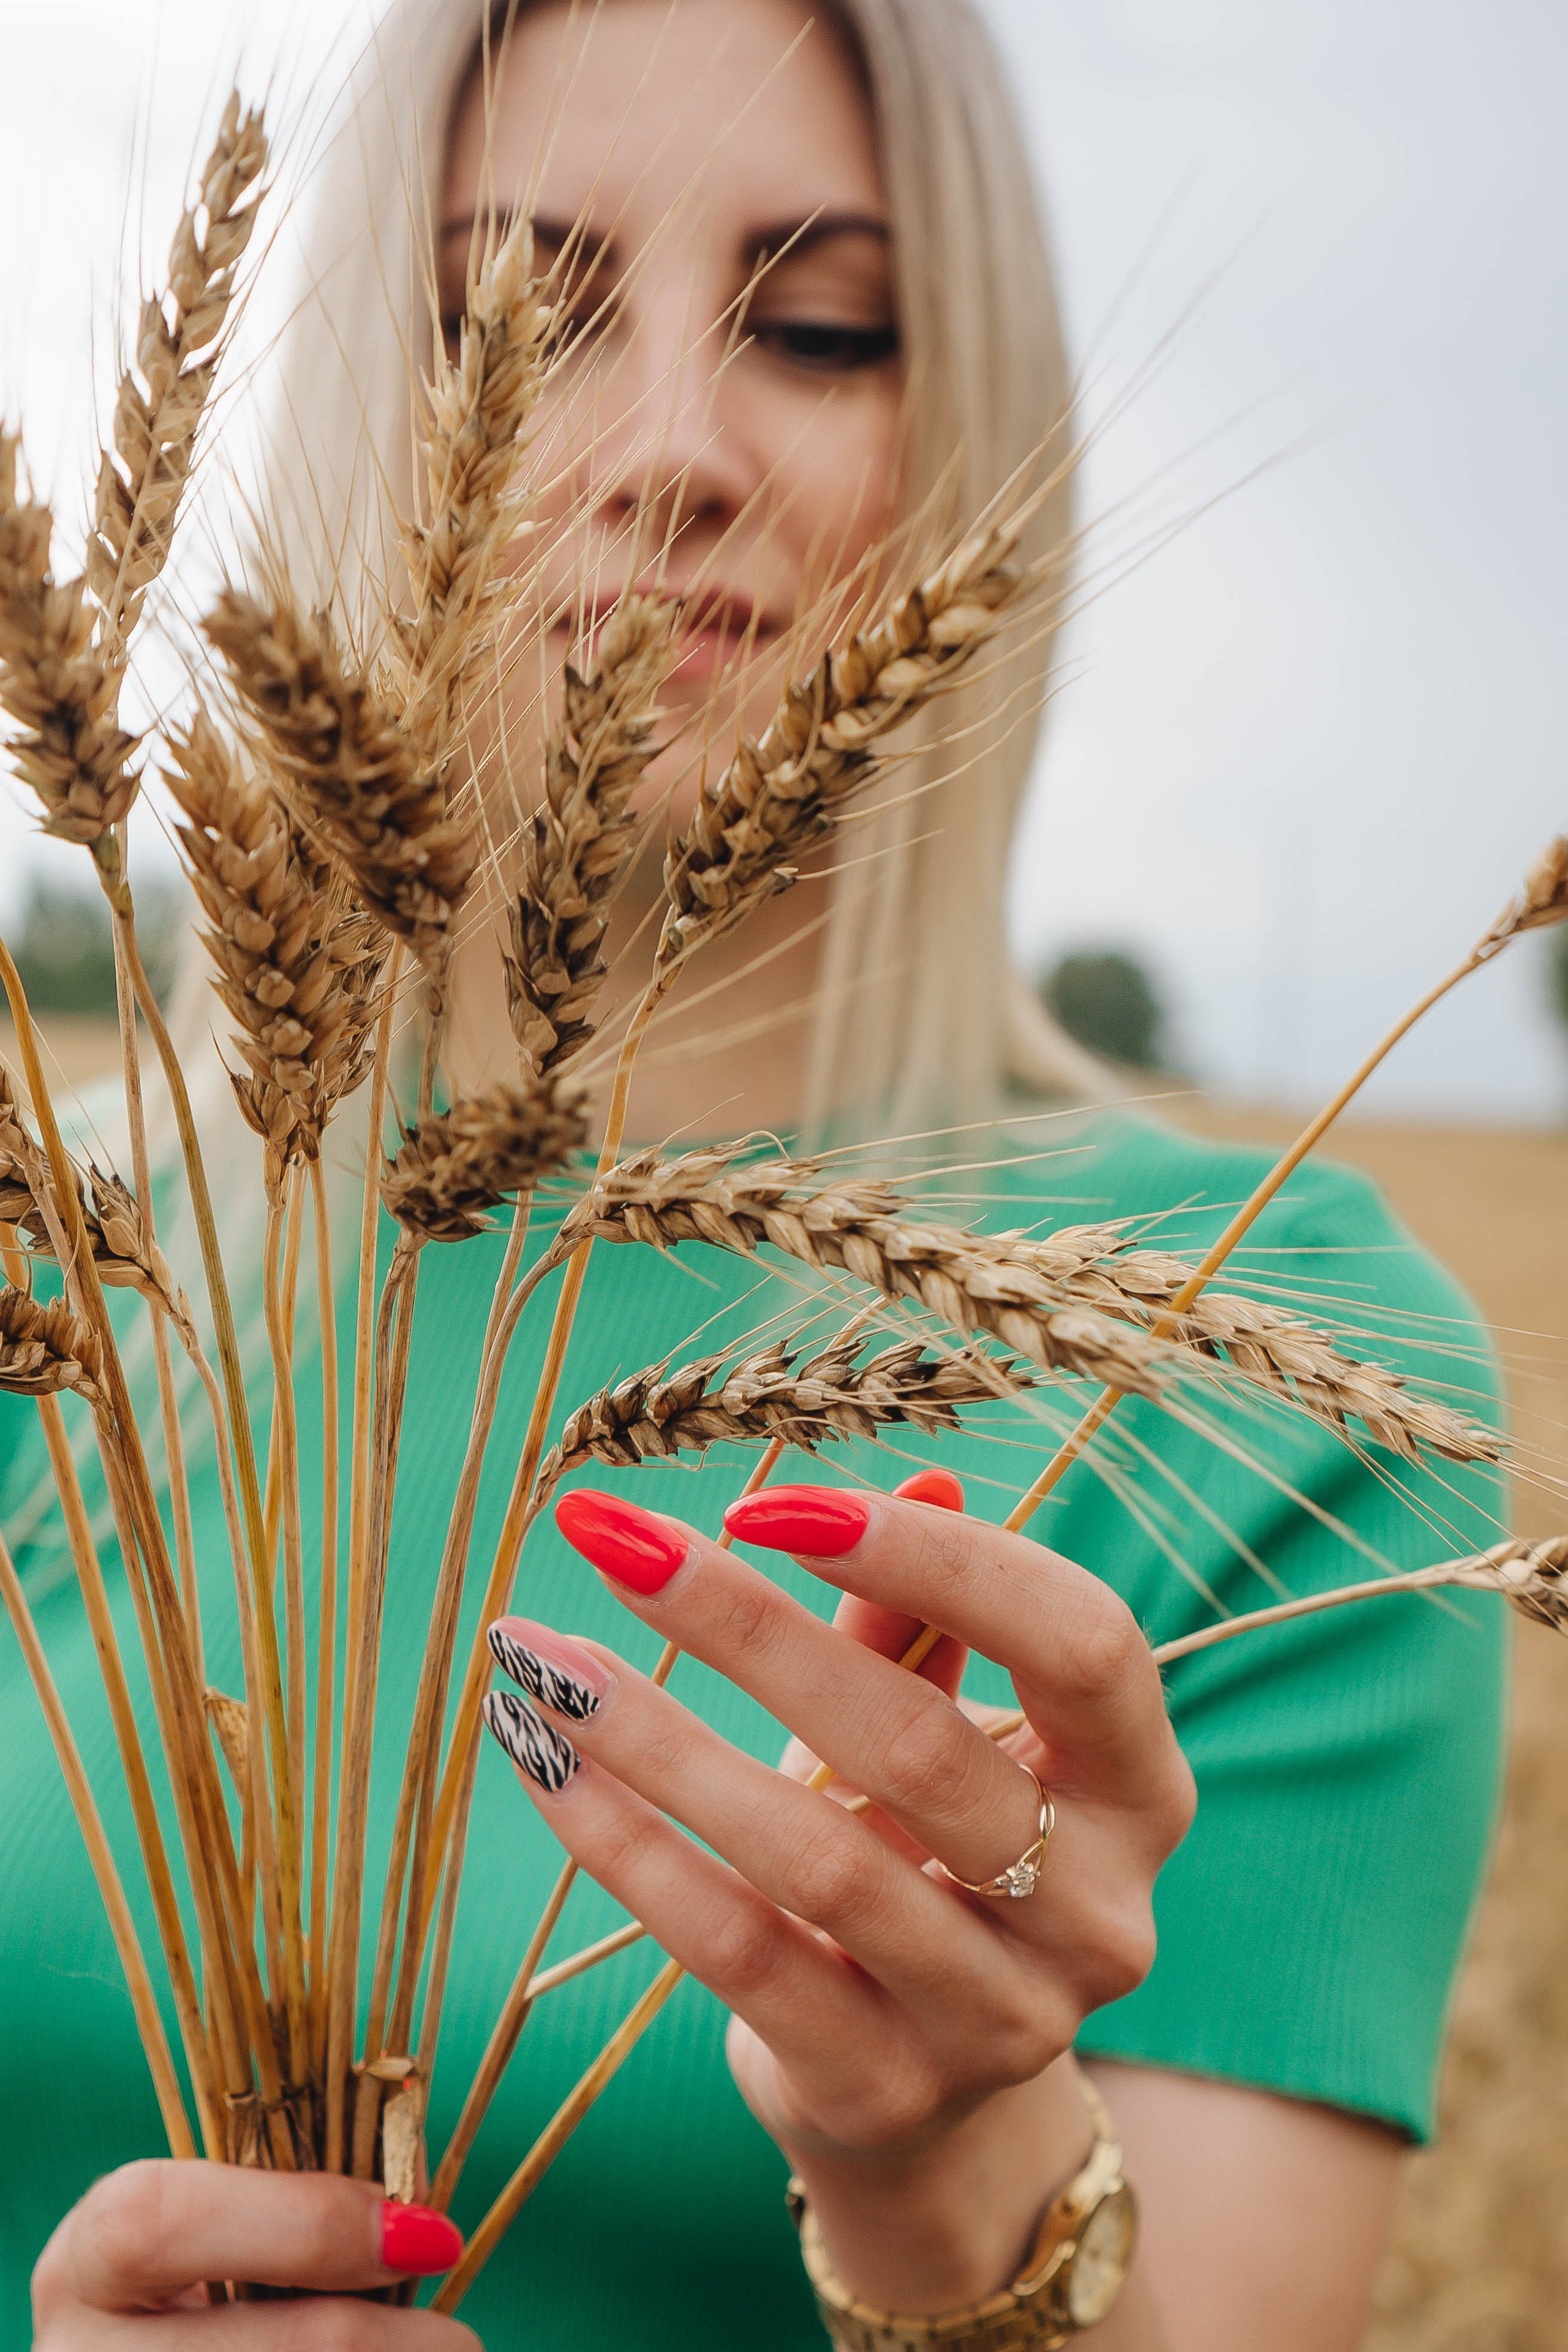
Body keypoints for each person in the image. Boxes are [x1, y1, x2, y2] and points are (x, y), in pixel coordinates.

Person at [8, 4, 1507, 2348]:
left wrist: (948, 2179)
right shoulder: (49, 1275)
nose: (676, 447)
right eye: (534, 310)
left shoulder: (1264, 1353)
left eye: (818, 329)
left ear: (978, 428)